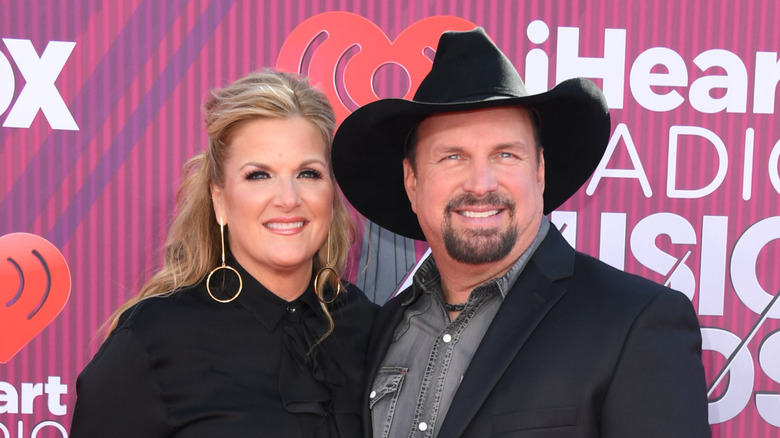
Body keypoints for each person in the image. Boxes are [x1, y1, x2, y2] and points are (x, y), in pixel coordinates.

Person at [331, 28, 710, 438]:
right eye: (452, 156)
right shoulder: (384, 327)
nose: (481, 183)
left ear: (539, 172)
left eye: (505, 154)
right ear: (413, 183)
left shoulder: (635, 323)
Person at [71, 70, 378, 437]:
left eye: (308, 174)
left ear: (331, 193)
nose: (288, 199)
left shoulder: (371, 329)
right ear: (219, 199)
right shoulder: (154, 339)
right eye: (258, 175)